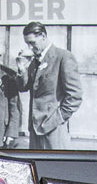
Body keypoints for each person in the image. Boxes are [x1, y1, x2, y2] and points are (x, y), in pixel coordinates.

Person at [16, 21, 83, 150]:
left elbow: (75, 96)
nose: (29, 48)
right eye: (27, 44)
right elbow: (23, 87)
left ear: (43, 36)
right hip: (35, 129)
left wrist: (57, 119)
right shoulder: (34, 61)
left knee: (56, 167)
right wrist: (21, 68)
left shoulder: (63, 57)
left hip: (54, 129)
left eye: (32, 43)